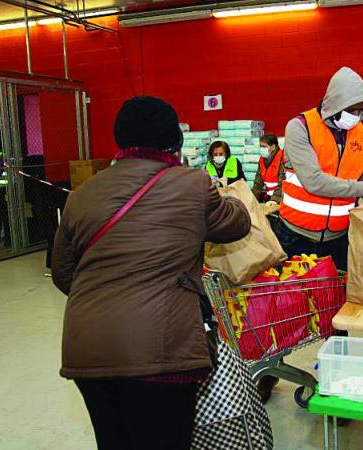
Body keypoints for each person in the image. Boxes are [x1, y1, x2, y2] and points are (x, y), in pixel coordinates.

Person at [51, 96, 251, 450]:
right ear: (174, 141)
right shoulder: (193, 184)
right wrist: (229, 195)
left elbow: (64, 274)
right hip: (161, 351)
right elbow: (237, 224)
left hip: (88, 348)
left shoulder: (81, 194)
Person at [276, 66, 363, 272]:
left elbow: (362, 172)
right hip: (297, 236)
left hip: (339, 237)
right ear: (335, 103)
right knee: (296, 302)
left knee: (337, 299)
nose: (356, 116)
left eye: (360, 110)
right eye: (351, 110)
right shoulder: (300, 127)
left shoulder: (359, 131)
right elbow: (315, 182)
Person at [251, 134, 284, 203]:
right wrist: (252, 199)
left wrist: (275, 199)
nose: (261, 149)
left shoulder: (282, 158)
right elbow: (258, 182)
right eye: (260, 146)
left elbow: (283, 183)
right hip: (268, 196)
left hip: (281, 198)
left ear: (273, 147)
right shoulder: (262, 160)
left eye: (264, 146)